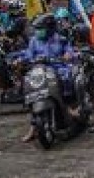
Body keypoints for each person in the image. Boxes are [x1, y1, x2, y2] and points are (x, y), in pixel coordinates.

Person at [16, 13, 78, 142]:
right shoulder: (34, 40)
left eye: (41, 28)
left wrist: (68, 54)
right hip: (38, 70)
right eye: (37, 29)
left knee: (66, 78)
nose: (38, 31)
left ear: (50, 28)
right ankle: (33, 128)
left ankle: (68, 106)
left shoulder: (60, 39)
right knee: (28, 87)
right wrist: (20, 59)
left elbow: (69, 51)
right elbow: (28, 54)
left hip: (57, 68)